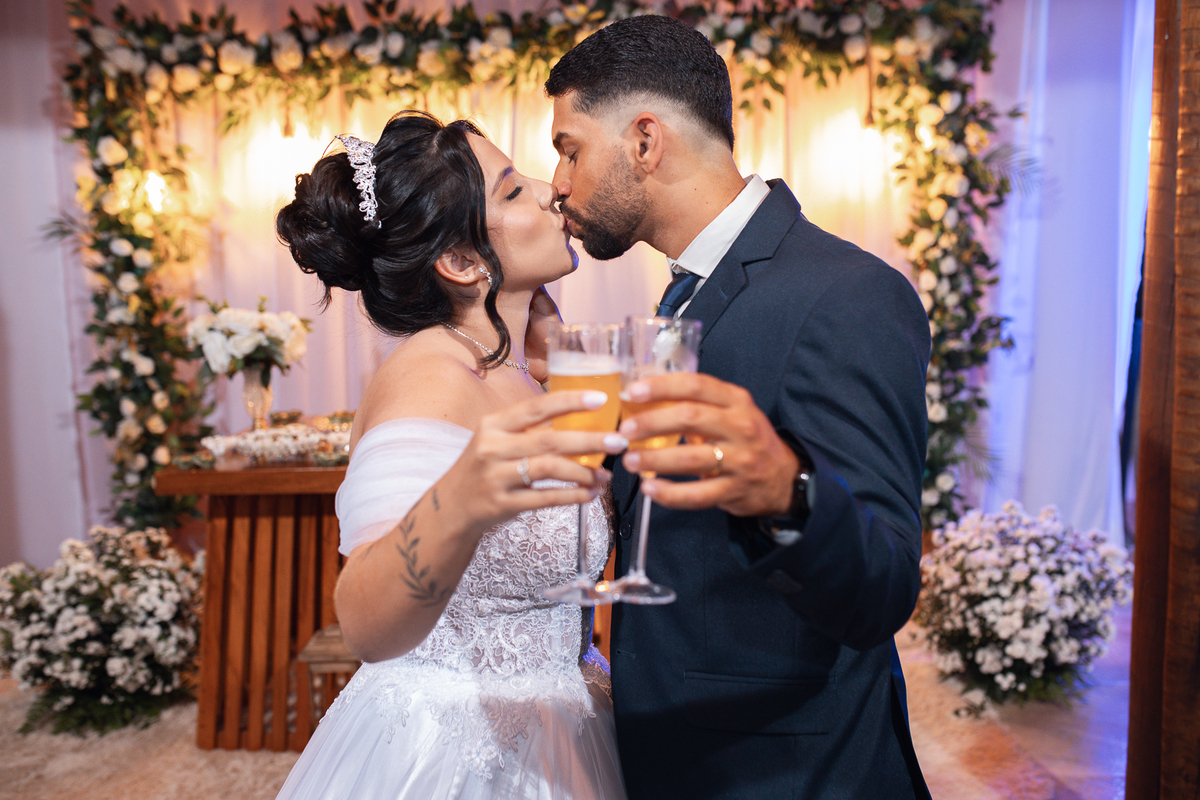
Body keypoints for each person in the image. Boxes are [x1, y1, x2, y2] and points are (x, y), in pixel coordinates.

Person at [545, 15, 932, 800]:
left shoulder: (847, 294)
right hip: (681, 754)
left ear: (645, 140)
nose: (557, 182)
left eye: (569, 150)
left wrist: (790, 494)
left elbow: (885, 585)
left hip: (789, 773)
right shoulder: (687, 292)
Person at [272, 111, 628, 799]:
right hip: (449, 750)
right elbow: (365, 621)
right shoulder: (430, 379)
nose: (550, 190)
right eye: (513, 190)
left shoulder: (512, 366)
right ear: (462, 262)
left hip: (558, 722)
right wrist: (459, 501)